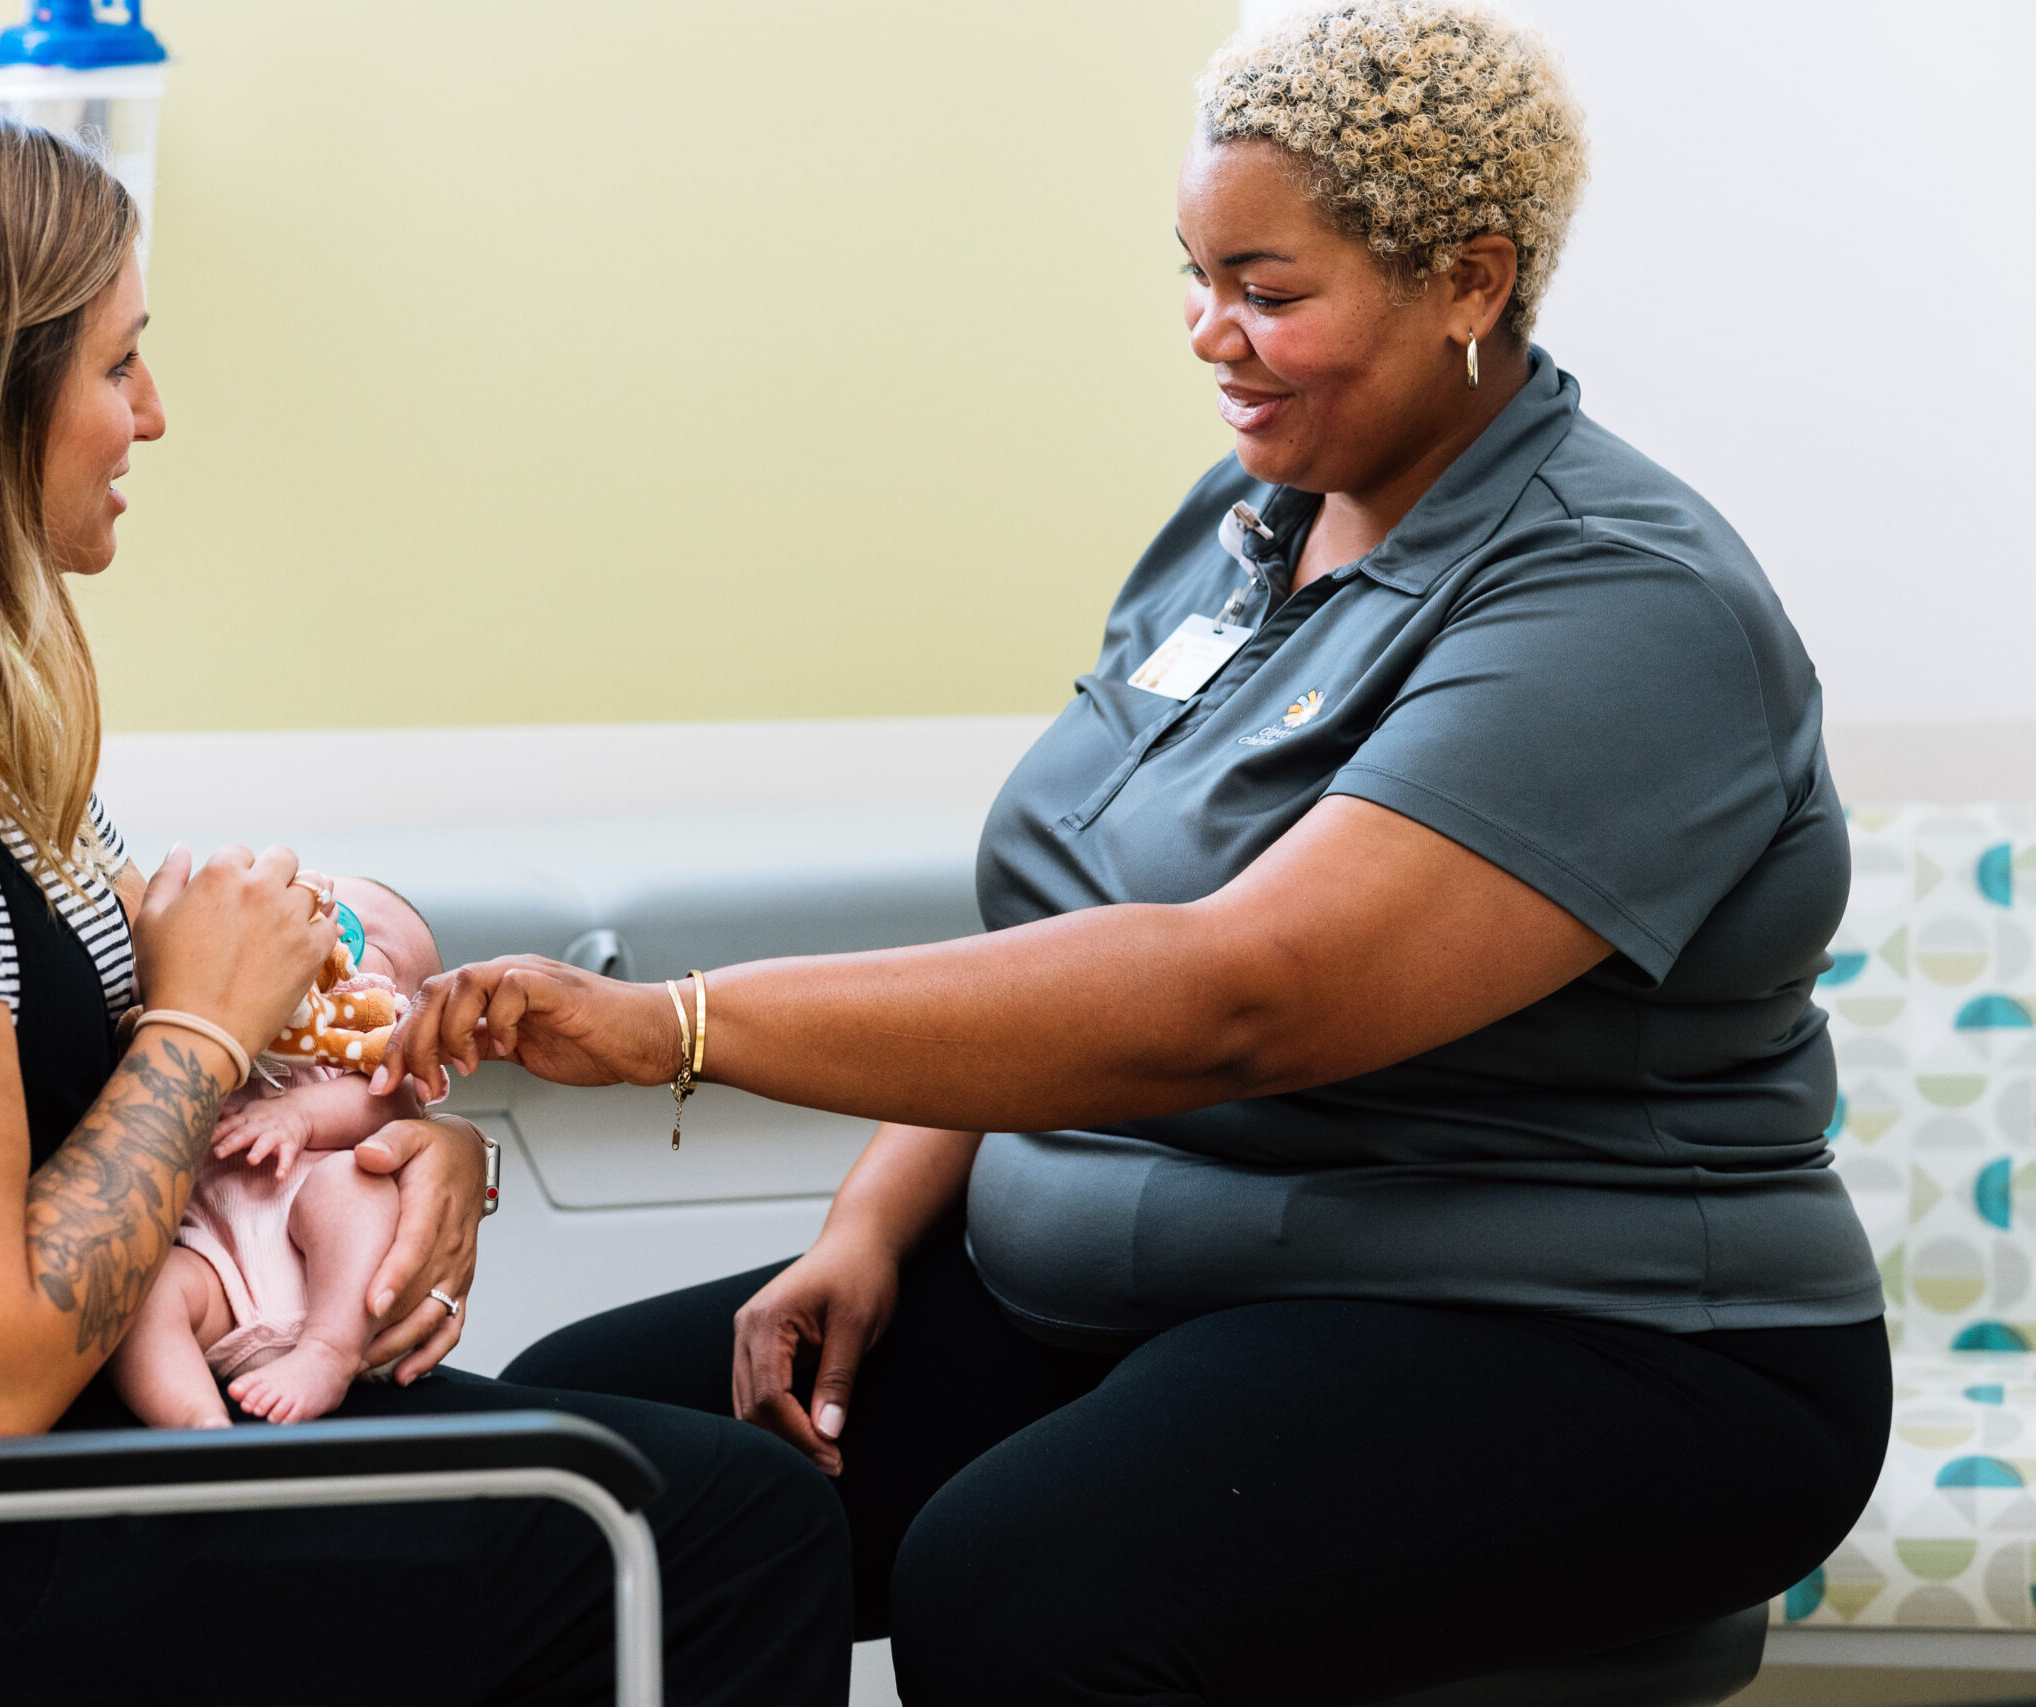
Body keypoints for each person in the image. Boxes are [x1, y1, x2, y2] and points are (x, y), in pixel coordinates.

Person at [384, 4, 1893, 1702]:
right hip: (1146, 1281)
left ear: (1473, 281)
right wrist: (870, 1222)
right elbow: (1073, 929)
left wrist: (680, 1025)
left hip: (1585, 1331)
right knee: (600, 1466)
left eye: (1269, 289)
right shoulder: (1247, 522)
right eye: (1191, 271)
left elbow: (1244, 994)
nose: (1208, 333)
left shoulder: (1622, 605)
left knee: (1027, 1586)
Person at [0, 95, 846, 1705]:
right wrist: (202, 1027)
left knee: (616, 1453)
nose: (155, 415)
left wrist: (371, 1118)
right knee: (718, 1525)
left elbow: (147, 1009)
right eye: (116, 364)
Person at [110, 881, 438, 1427]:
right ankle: (196, 1420)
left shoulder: (356, 1048)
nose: (332, 925)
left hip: (334, 1288)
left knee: (351, 1184)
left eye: (365, 935)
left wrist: (300, 1114)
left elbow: (396, 1106)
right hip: (221, 1277)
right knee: (142, 1292)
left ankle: (326, 1355)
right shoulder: (221, 1034)